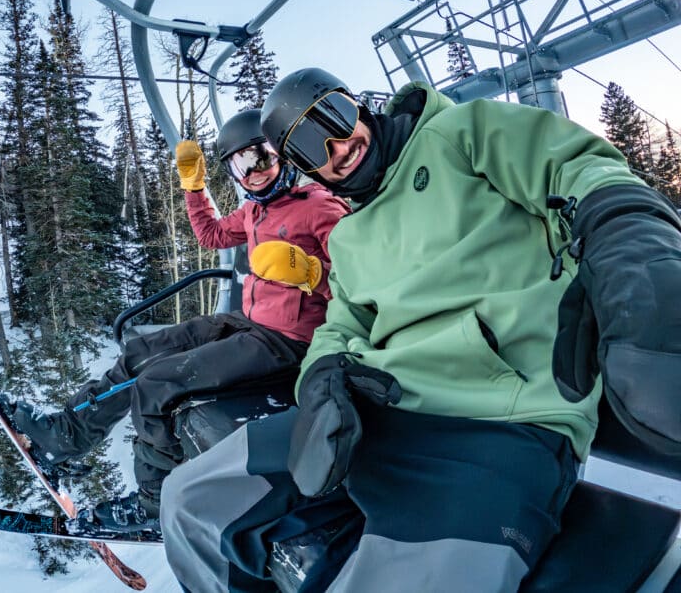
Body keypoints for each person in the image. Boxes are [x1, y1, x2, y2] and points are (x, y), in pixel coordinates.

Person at [160, 68, 681, 591]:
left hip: (501, 423)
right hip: (382, 414)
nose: (337, 149)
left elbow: (582, 172)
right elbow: (341, 323)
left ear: (356, 103)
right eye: (312, 150)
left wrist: (631, 246)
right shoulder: (350, 233)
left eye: (333, 119)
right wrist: (319, 379)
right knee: (192, 499)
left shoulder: (462, 132)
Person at [0, 108, 350, 535]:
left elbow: (362, 282)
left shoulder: (319, 207)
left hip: (292, 342)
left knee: (157, 385)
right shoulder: (257, 211)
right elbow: (212, 235)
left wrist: (314, 275)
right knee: (139, 354)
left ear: (284, 156)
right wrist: (194, 186)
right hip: (250, 323)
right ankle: (66, 434)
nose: (254, 173)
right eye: (241, 165)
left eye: (262, 158)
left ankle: (152, 501)